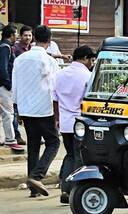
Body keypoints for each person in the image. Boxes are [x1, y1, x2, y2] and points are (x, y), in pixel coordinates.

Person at [12, 25, 60, 197]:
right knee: (53, 143)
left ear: (33, 38)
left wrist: (17, 107)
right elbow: (56, 87)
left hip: (25, 108)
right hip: (44, 108)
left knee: (33, 146)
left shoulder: (20, 59)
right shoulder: (49, 61)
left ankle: (33, 188)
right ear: (49, 40)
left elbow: (15, 85)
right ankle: (37, 176)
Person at [53, 46, 94, 204]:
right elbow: (88, 101)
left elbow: (55, 100)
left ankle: (65, 188)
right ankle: (74, 190)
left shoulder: (60, 74)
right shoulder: (88, 76)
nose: (91, 63)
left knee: (70, 155)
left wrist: (57, 119)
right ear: (84, 58)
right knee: (80, 156)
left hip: (64, 122)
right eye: (91, 60)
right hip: (81, 123)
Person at [0, 24, 21, 152]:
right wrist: (8, 84)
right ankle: (10, 139)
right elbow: (3, 68)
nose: (17, 37)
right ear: (11, 35)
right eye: (16, 34)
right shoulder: (5, 48)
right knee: (8, 113)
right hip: (3, 86)